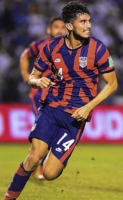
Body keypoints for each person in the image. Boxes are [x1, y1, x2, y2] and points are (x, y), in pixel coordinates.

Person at [4, 1, 118, 199]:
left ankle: (54, 154)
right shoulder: (52, 47)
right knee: (33, 158)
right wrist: (37, 81)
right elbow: (32, 77)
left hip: (75, 117)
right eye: (83, 21)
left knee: (49, 173)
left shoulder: (98, 48)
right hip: (51, 107)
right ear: (70, 26)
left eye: (89, 21)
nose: (89, 25)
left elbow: (112, 84)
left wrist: (88, 107)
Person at [20, 16, 67, 180]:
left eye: (63, 27)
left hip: (61, 95)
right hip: (40, 93)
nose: (60, 30)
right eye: (56, 27)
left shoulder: (71, 49)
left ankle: (34, 161)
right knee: (45, 128)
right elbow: (25, 55)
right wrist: (27, 76)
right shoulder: (41, 45)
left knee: (48, 130)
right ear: (49, 30)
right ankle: (40, 166)